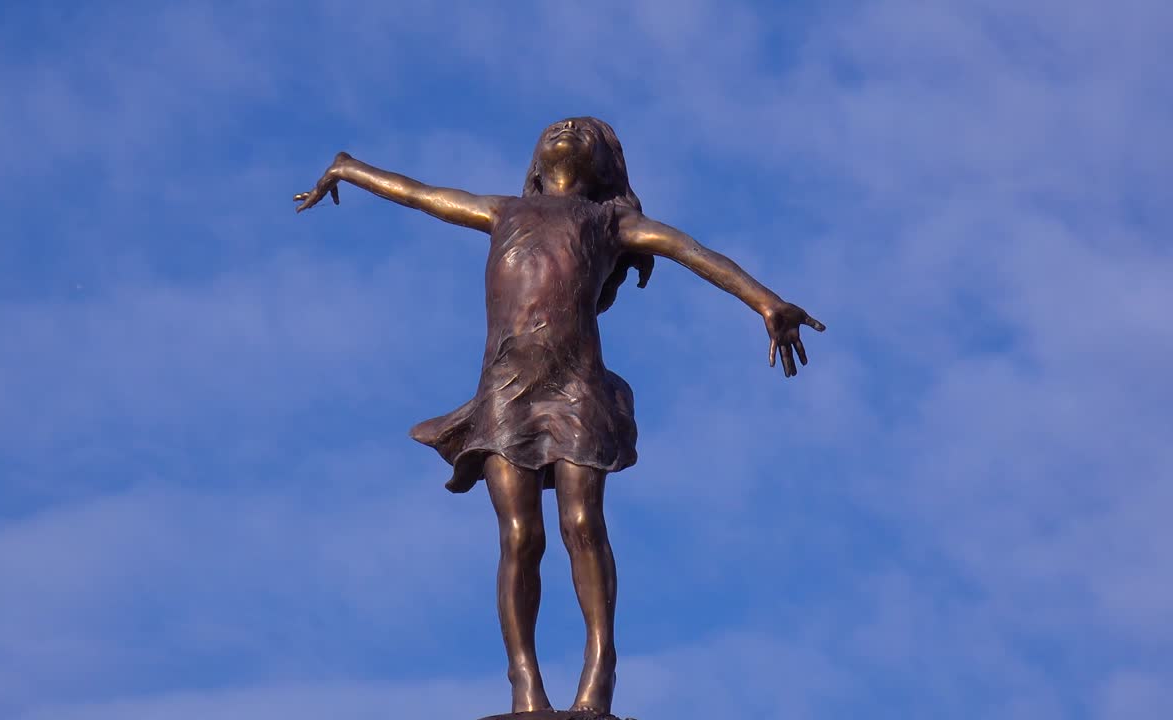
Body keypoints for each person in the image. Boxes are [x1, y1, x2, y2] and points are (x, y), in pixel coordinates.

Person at [294, 117, 824, 716]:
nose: (566, 128)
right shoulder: (504, 210)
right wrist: (350, 168)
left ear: (604, 168)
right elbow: (421, 194)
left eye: (583, 131)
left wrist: (767, 302)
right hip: (505, 390)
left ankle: (598, 680)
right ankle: (526, 689)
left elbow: (694, 252)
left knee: (582, 523)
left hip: (577, 389)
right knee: (520, 536)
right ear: (535, 163)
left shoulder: (610, 223)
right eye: (556, 128)